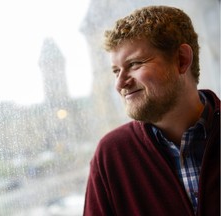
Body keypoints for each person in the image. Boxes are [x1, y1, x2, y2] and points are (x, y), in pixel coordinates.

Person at [83, 5, 220, 216]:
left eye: (135, 64)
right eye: (116, 71)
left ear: (181, 60)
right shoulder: (111, 156)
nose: (120, 83)